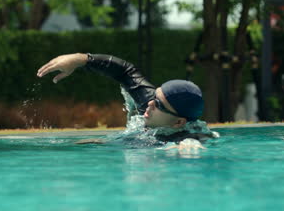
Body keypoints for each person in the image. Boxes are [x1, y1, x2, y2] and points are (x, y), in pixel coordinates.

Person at [37, 53, 217, 147]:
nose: (150, 104)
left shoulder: (186, 138)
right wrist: (79, 59)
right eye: (154, 97)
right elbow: (125, 71)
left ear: (179, 122)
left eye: (159, 104)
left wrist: (190, 149)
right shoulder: (149, 103)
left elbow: (194, 144)